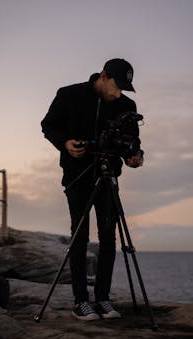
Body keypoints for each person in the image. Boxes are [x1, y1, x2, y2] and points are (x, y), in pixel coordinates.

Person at [41, 58, 144, 321]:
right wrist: (65, 143)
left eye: (124, 88)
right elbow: (48, 125)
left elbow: (131, 141)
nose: (119, 92)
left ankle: (103, 299)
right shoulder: (70, 94)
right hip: (78, 175)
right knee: (80, 235)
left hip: (108, 175)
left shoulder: (126, 105)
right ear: (103, 76)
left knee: (109, 237)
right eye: (116, 85)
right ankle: (80, 301)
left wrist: (135, 156)